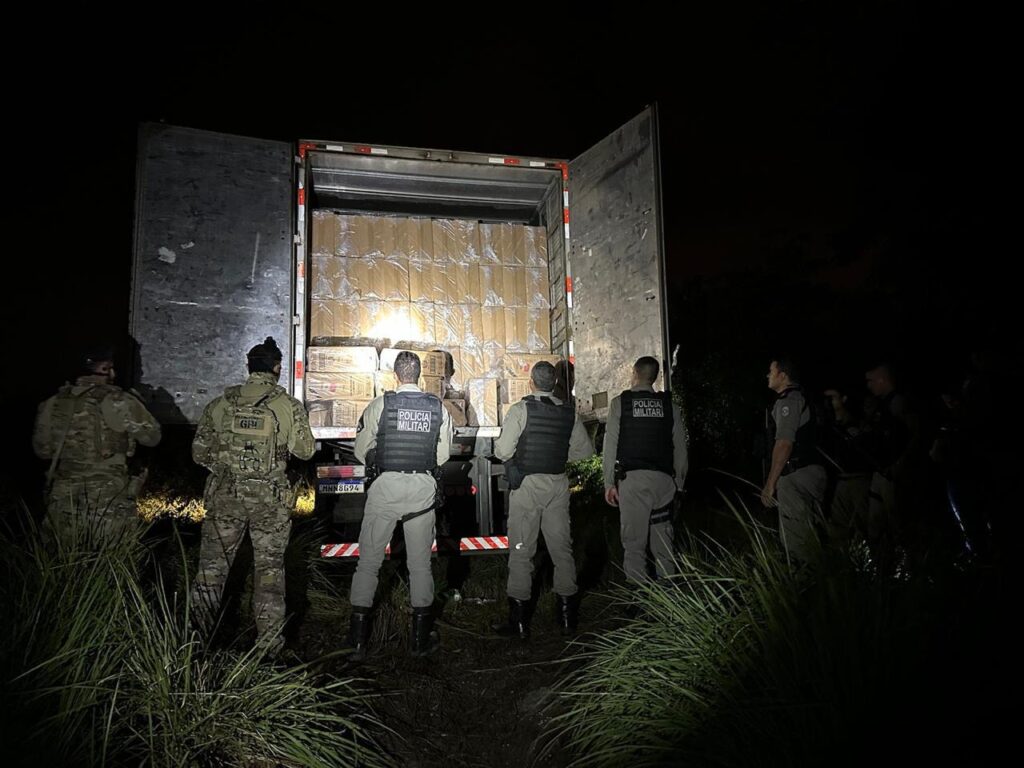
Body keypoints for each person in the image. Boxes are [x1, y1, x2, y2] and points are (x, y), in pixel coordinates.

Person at [191, 337, 315, 643]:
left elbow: (199, 452)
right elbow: (306, 450)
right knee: (270, 572)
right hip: (269, 501)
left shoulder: (221, 404)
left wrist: (225, 466)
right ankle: (268, 649)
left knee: (210, 572)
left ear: (248, 367)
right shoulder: (288, 405)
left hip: (226, 497)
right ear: (276, 368)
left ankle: (193, 643)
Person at [347, 351, 453, 659]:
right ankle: (419, 642)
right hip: (421, 491)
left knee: (368, 563)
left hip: (385, 490)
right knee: (419, 566)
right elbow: (443, 454)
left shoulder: (381, 405)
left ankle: (357, 642)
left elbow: (361, 449)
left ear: (396, 374)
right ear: (419, 375)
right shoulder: (438, 407)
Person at [492, 361, 594, 639]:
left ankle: (519, 623)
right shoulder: (569, 413)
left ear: (531, 382)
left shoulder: (521, 409)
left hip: (527, 486)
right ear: (556, 384)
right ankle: (566, 621)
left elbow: (502, 451)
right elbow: (584, 454)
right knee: (562, 550)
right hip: (558, 485)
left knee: (522, 551)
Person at [32, 343, 161, 540]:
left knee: (62, 557)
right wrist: (138, 404)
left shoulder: (53, 402)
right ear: (105, 368)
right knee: (110, 559)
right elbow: (152, 437)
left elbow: (42, 450)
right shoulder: (119, 400)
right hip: (106, 495)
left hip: (64, 494)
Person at [603, 356, 688, 585]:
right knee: (664, 546)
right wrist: (678, 484)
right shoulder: (670, 406)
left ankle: (639, 604)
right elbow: (681, 449)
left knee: (634, 545)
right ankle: (669, 603)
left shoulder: (621, 403)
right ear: (655, 377)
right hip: (663, 483)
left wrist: (609, 483)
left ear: (634, 373)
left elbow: (610, 446)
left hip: (633, 483)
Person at [760, 358, 827, 562]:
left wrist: (770, 484)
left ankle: (804, 587)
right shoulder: (805, 397)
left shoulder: (788, 400)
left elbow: (784, 444)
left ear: (783, 375)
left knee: (797, 542)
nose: (767, 375)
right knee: (814, 534)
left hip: (796, 475)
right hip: (813, 472)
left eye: (771, 371)